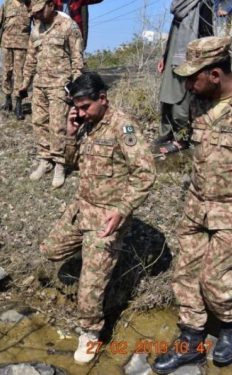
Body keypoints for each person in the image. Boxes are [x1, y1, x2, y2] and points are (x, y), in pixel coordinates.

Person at [40, 72, 155, 364]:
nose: (80, 112)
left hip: (107, 217)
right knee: (50, 251)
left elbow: (145, 173)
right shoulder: (87, 125)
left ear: (102, 99)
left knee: (89, 288)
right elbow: (72, 163)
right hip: (82, 208)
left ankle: (90, 332)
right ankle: (96, 263)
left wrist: (123, 209)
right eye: (76, 107)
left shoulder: (123, 127)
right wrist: (70, 132)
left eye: (85, 107)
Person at [152, 36, 232, 374]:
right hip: (197, 204)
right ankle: (192, 340)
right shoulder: (200, 102)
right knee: (185, 275)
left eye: (192, 77)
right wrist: (174, 147)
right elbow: (193, 136)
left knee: (215, 280)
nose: (186, 85)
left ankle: (228, 326)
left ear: (215, 74)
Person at [20, 0, 83, 189]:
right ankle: (45, 159)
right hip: (40, 85)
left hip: (59, 85)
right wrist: (25, 84)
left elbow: (77, 58)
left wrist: (76, 86)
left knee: (57, 126)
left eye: (39, 11)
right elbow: (31, 58)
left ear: (50, 4)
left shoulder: (68, 26)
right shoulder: (36, 28)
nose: (36, 15)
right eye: (33, 12)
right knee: (39, 123)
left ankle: (59, 164)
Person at [152, 0, 213, 154]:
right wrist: (165, 57)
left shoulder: (202, 4)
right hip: (174, 54)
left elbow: (207, 34)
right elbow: (174, 32)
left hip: (188, 59)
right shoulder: (179, 6)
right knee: (167, 95)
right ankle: (165, 134)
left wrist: (200, 63)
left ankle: (181, 139)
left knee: (181, 99)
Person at [0, 0, 33, 121]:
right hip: (6, 44)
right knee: (7, 72)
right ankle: (8, 101)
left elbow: (38, 24)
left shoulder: (30, 5)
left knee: (19, 75)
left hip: (22, 46)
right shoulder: (6, 5)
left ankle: (18, 105)